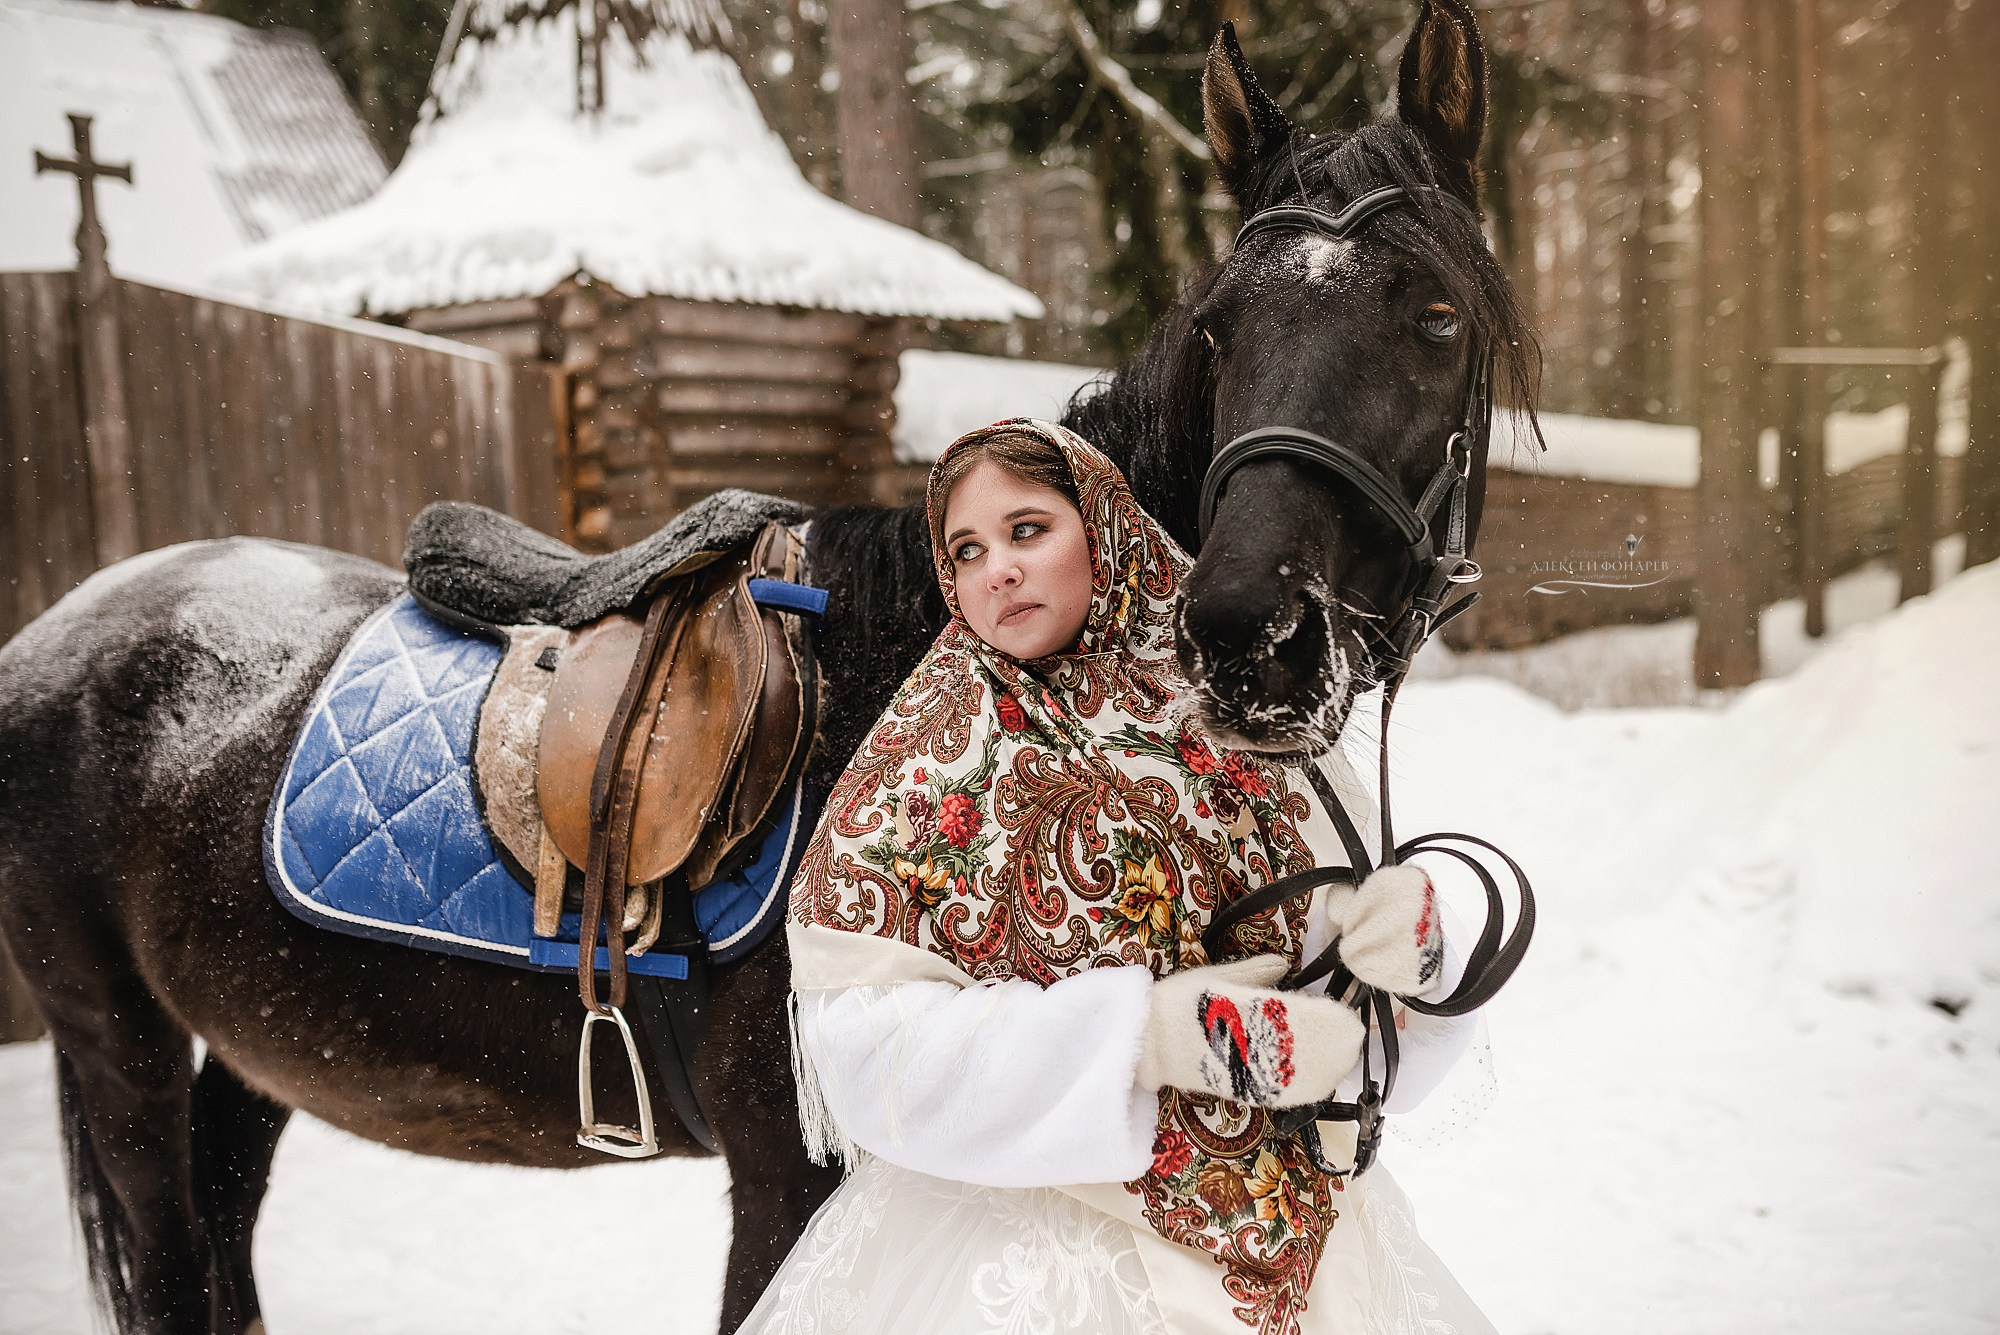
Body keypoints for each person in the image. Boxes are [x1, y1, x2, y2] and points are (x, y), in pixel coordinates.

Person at [739, 419, 1495, 1335]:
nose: (997, 570)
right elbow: (865, 1046)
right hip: (1039, 1258)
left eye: (1027, 530)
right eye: (967, 550)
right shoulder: (915, 765)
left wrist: (1413, 958)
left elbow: (1348, 1020)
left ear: (1104, 526)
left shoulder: (1231, 711)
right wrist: (1138, 1040)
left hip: (1305, 1223)